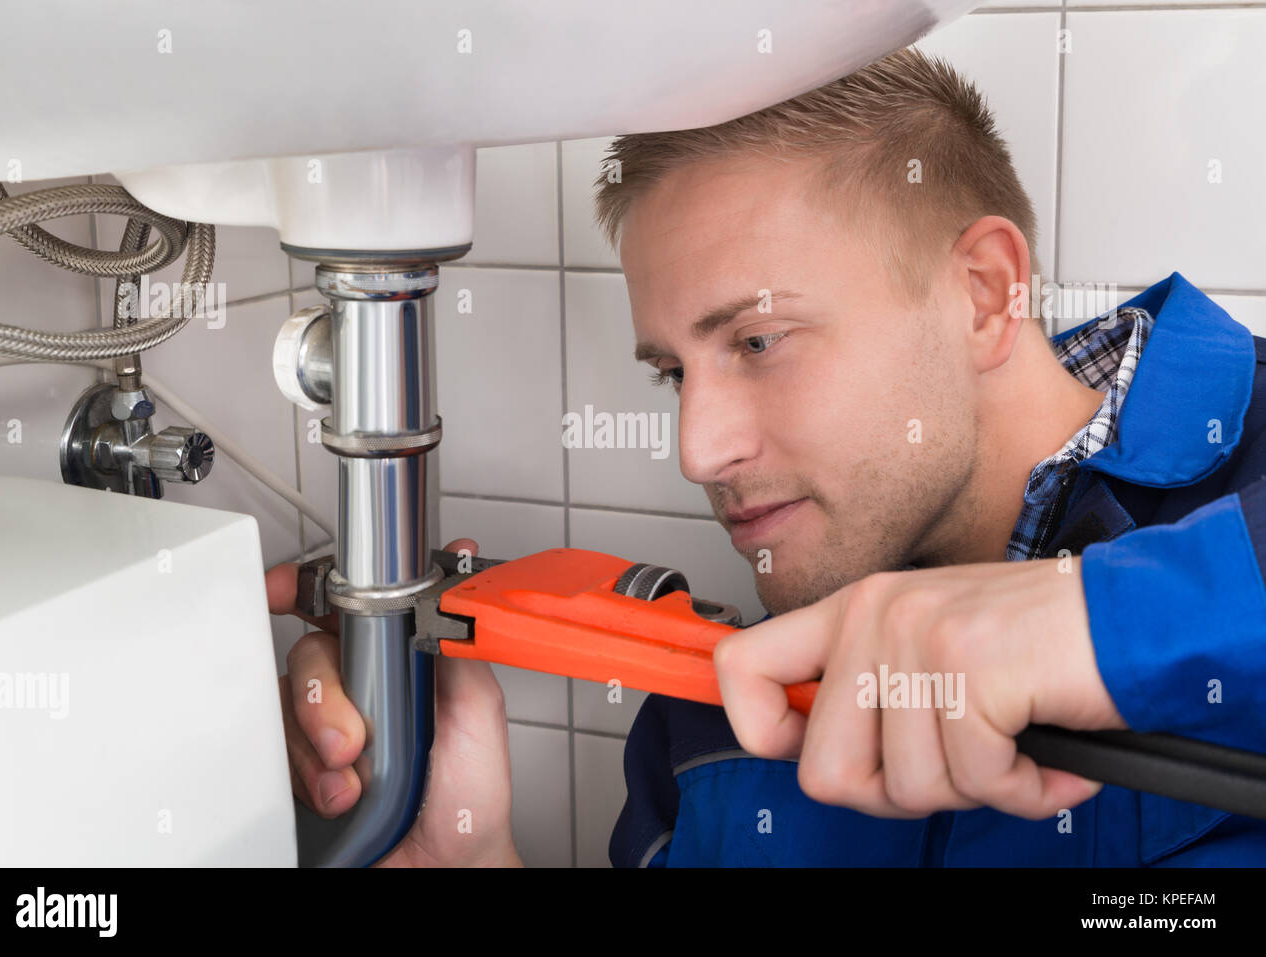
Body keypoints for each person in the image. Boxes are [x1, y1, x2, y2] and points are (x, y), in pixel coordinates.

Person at [270, 47, 1266, 866]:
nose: (698, 450)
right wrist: (467, 853)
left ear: (982, 291)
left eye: (756, 343)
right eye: (672, 372)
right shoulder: (707, 729)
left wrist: (1109, 623)